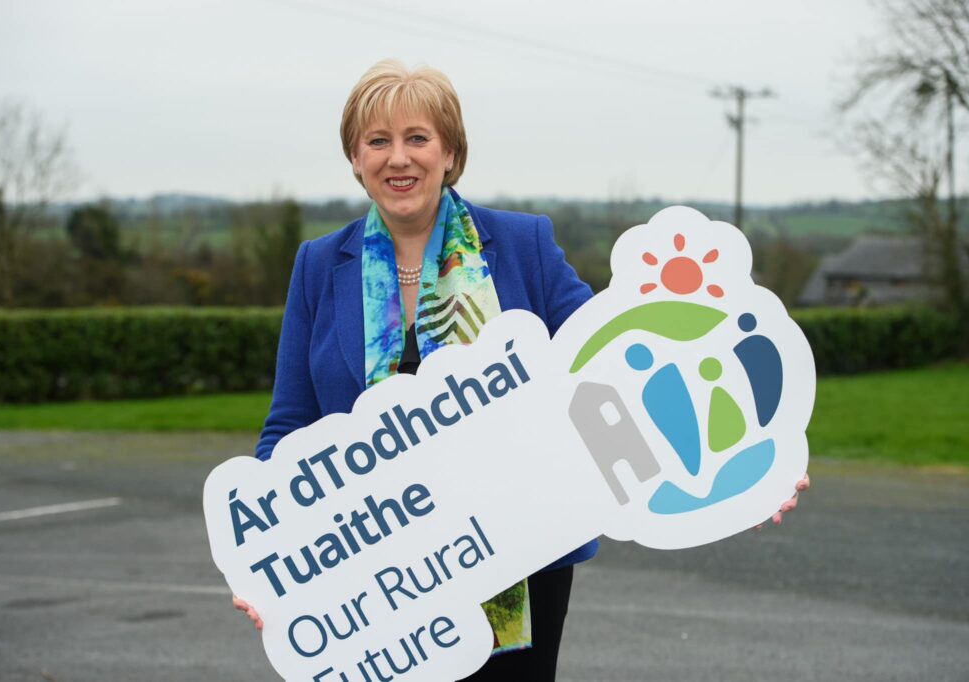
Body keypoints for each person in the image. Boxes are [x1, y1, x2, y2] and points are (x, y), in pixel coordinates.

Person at [232, 59, 809, 680]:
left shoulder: (522, 244)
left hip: (521, 558)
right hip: (374, 580)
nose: (398, 158)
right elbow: (289, 427)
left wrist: (747, 474)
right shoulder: (319, 265)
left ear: (450, 152)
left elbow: (612, 370)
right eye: (378, 141)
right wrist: (265, 561)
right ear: (355, 157)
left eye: (417, 138)